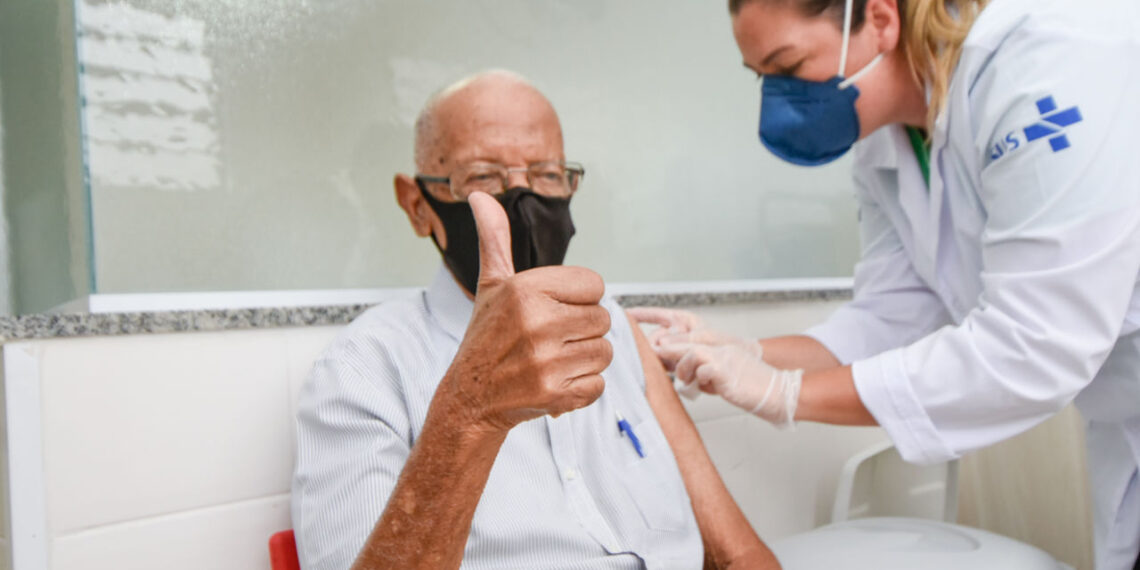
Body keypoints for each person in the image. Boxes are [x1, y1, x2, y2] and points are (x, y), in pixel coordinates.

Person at [632, 0, 1140, 568]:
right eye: (762, 78)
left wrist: (786, 394)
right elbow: (890, 317)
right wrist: (742, 354)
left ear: (878, 18)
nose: (776, 102)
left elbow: (1037, 344)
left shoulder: (1040, 64)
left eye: (789, 67)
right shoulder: (884, 143)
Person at [291, 70, 779, 570]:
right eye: (483, 175)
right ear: (419, 205)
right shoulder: (363, 370)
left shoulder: (613, 329)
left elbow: (738, 552)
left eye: (546, 174)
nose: (522, 203)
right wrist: (470, 409)